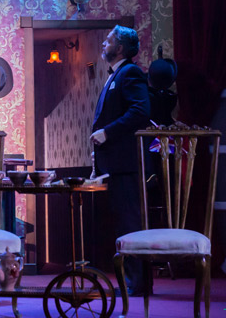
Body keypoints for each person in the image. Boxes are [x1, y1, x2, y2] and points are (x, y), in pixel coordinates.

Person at [90, 25, 150, 297]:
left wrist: (107, 133)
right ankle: (132, 282)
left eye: (108, 40)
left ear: (121, 48)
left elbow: (140, 111)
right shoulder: (116, 74)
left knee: (129, 225)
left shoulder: (130, 72)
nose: (104, 44)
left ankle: (136, 284)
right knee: (123, 224)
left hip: (126, 165)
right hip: (114, 164)